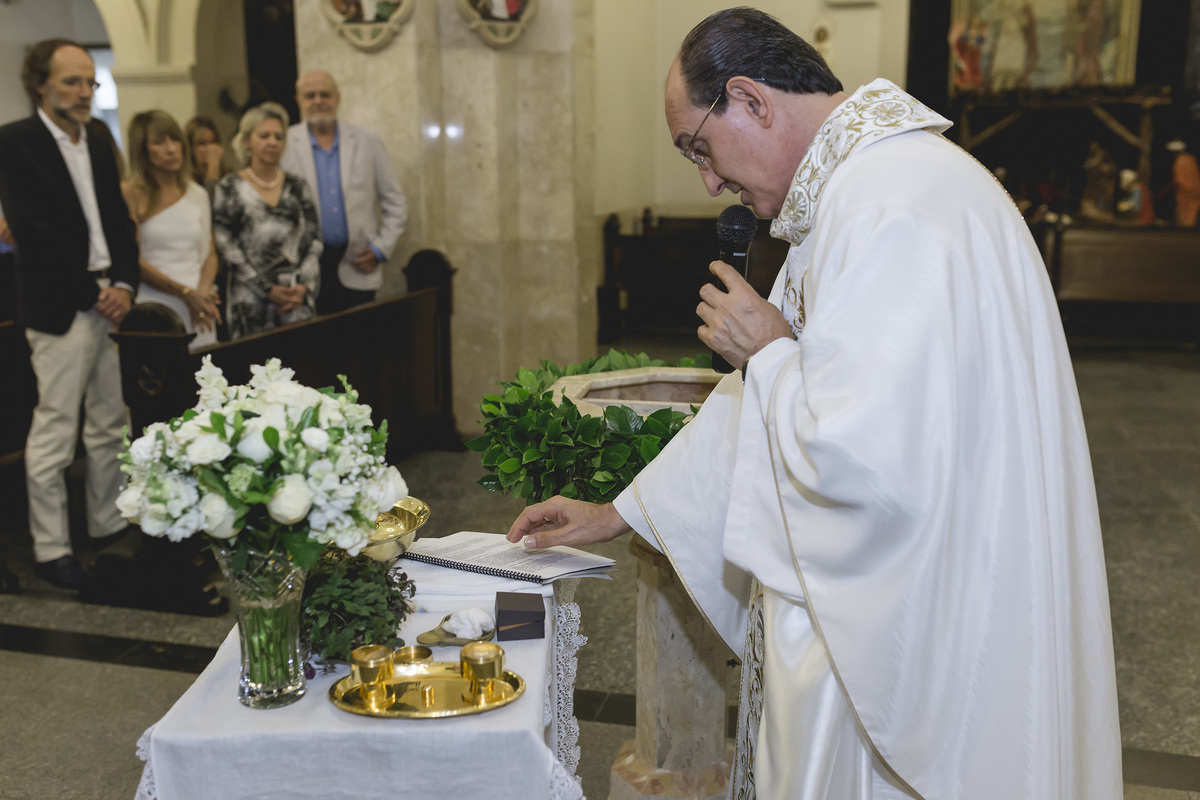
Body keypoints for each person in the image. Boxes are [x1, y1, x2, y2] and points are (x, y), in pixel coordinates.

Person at [507, 9, 1121, 800]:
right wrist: (617, 512)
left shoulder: (890, 206)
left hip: (911, 632)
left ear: (751, 100)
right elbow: (762, 405)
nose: (707, 180)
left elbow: (870, 458)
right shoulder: (865, 192)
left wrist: (767, 352)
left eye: (699, 146)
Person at [0, 38, 139, 590]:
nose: (85, 92)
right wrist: (93, 293)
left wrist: (125, 283)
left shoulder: (98, 141)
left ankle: (105, 524)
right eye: (72, 83)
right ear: (41, 84)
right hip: (62, 306)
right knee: (57, 430)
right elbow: (34, 233)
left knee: (111, 423)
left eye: (90, 82)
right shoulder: (15, 142)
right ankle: (51, 547)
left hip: (111, 299)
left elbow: (119, 221)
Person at [281, 70, 406, 314]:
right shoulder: (285, 143)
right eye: (310, 95)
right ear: (299, 100)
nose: (318, 101)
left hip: (358, 266)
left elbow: (395, 201)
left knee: (356, 347)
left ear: (338, 98)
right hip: (305, 271)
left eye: (325, 94)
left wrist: (381, 249)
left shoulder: (367, 140)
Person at [213, 102, 322, 339]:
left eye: (278, 136)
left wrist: (303, 287)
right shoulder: (229, 187)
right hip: (250, 302)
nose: (272, 142)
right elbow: (227, 246)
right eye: (264, 135)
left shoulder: (297, 186)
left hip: (296, 301)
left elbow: (314, 241)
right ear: (246, 140)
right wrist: (267, 289)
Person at [122, 110, 221, 349]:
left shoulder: (196, 193)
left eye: (175, 139)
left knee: (207, 379)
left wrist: (203, 293)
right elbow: (130, 258)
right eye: (159, 142)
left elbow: (209, 252)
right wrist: (185, 293)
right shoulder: (131, 192)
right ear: (143, 149)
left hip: (199, 307)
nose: (171, 149)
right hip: (155, 304)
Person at [184, 115, 233, 198]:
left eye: (213, 142)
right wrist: (213, 169)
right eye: (202, 143)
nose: (210, 148)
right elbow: (207, 206)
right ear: (191, 148)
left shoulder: (229, 176)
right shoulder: (185, 179)